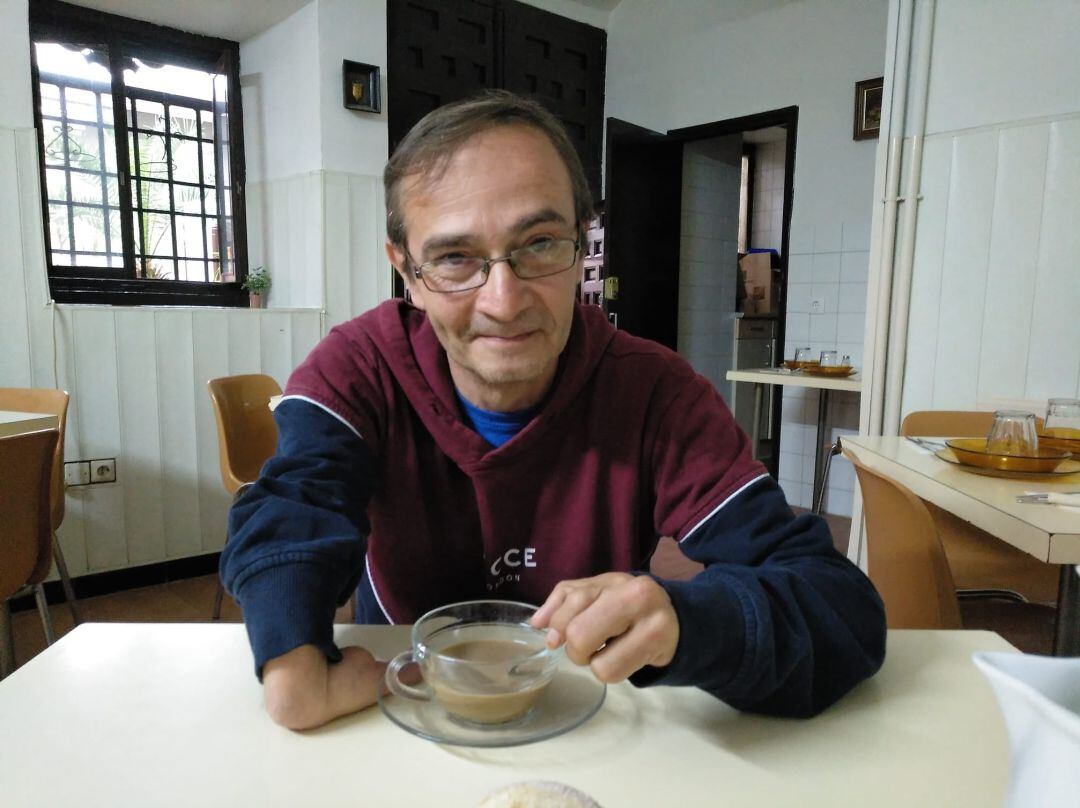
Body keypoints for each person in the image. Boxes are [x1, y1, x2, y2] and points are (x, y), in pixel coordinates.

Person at [221, 90, 886, 731]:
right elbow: (291, 511)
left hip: (593, 714)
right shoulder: (359, 369)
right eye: (455, 258)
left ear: (582, 247)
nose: (504, 302)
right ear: (407, 272)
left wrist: (690, 620)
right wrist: (290, 660)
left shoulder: (656, 394)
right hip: (402, 713)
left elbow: (841, 609)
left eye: (539, 243)